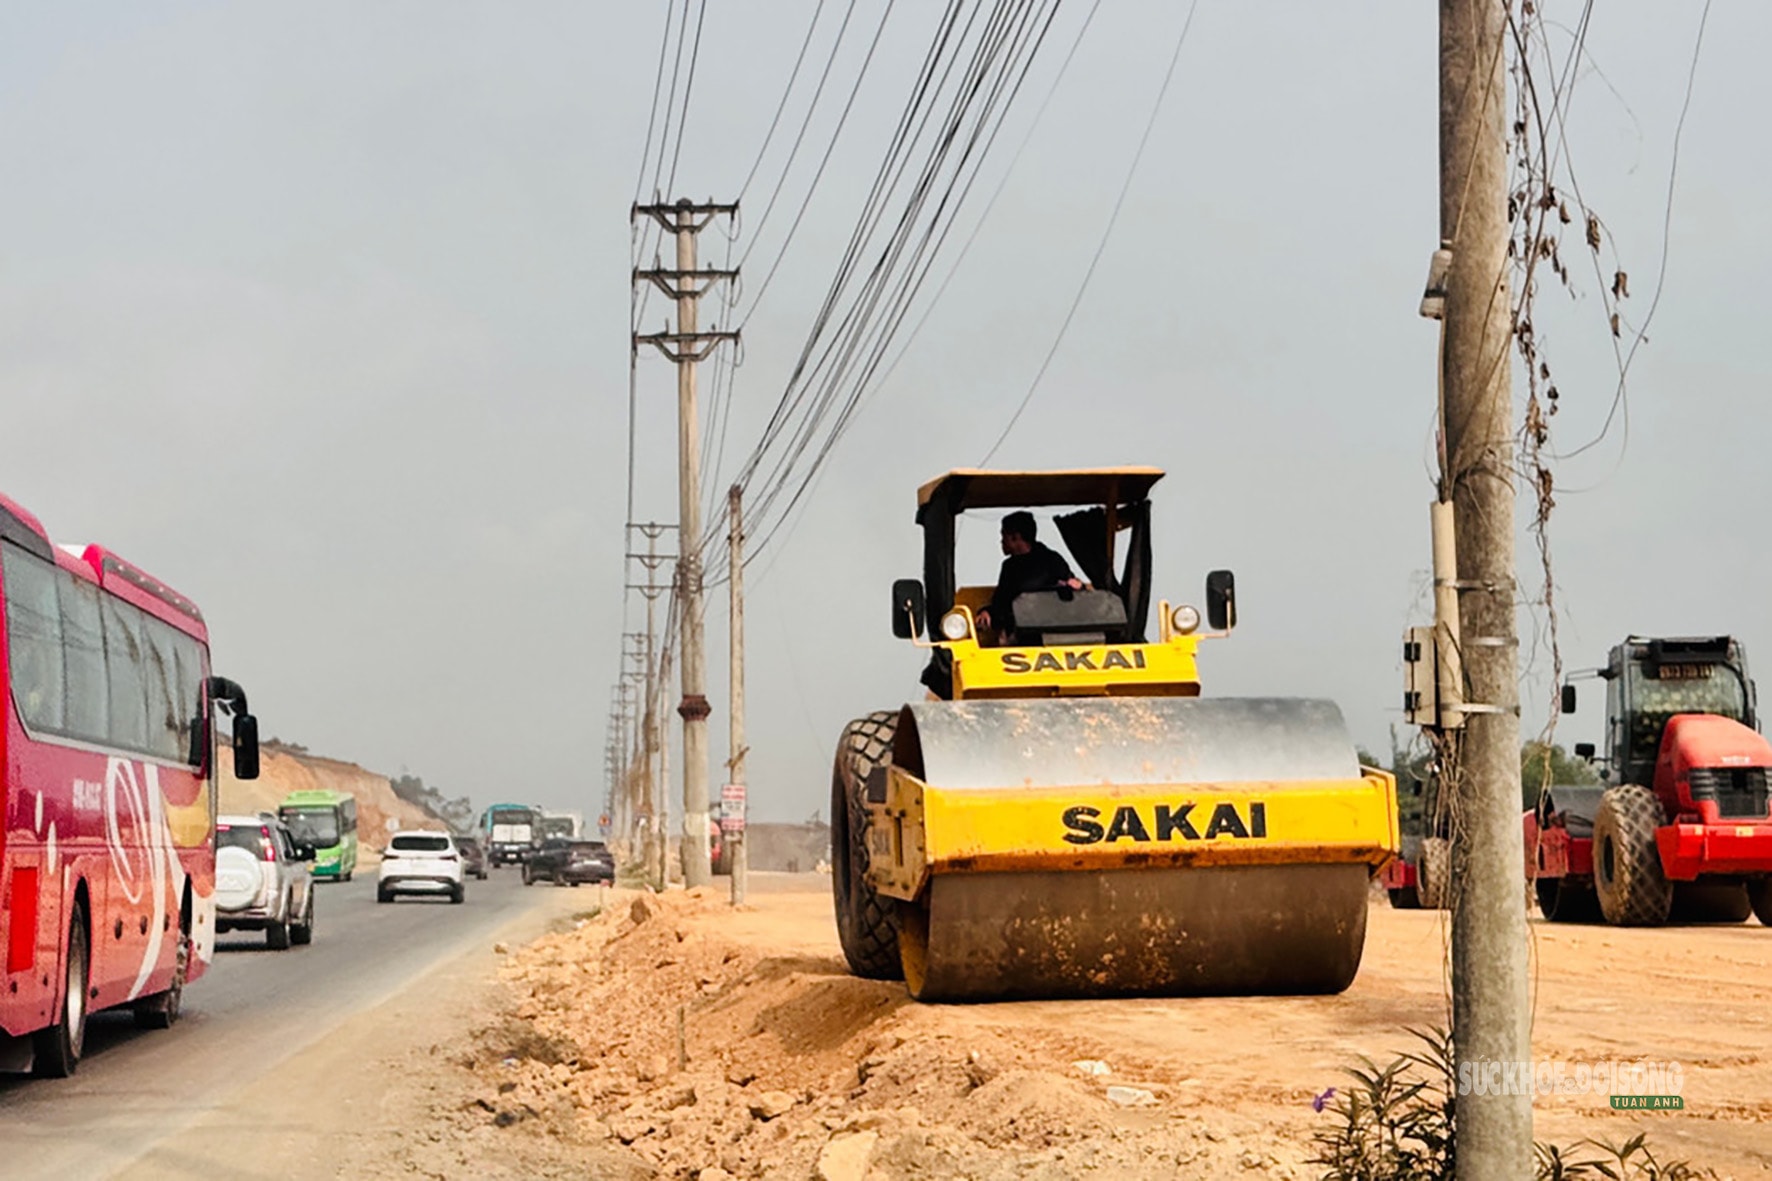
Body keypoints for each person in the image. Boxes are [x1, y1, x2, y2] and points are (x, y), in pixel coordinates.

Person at [976, 511, 1081, 643]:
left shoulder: (1052, 560)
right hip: (1019, 633)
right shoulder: (1009, 567)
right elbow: (1002, 602)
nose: (1001, 541)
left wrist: (1075, 585)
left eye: (1004, 535)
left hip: (1053, 632)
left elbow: (1072, 590)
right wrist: (987, 612)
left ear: (1016, 537)